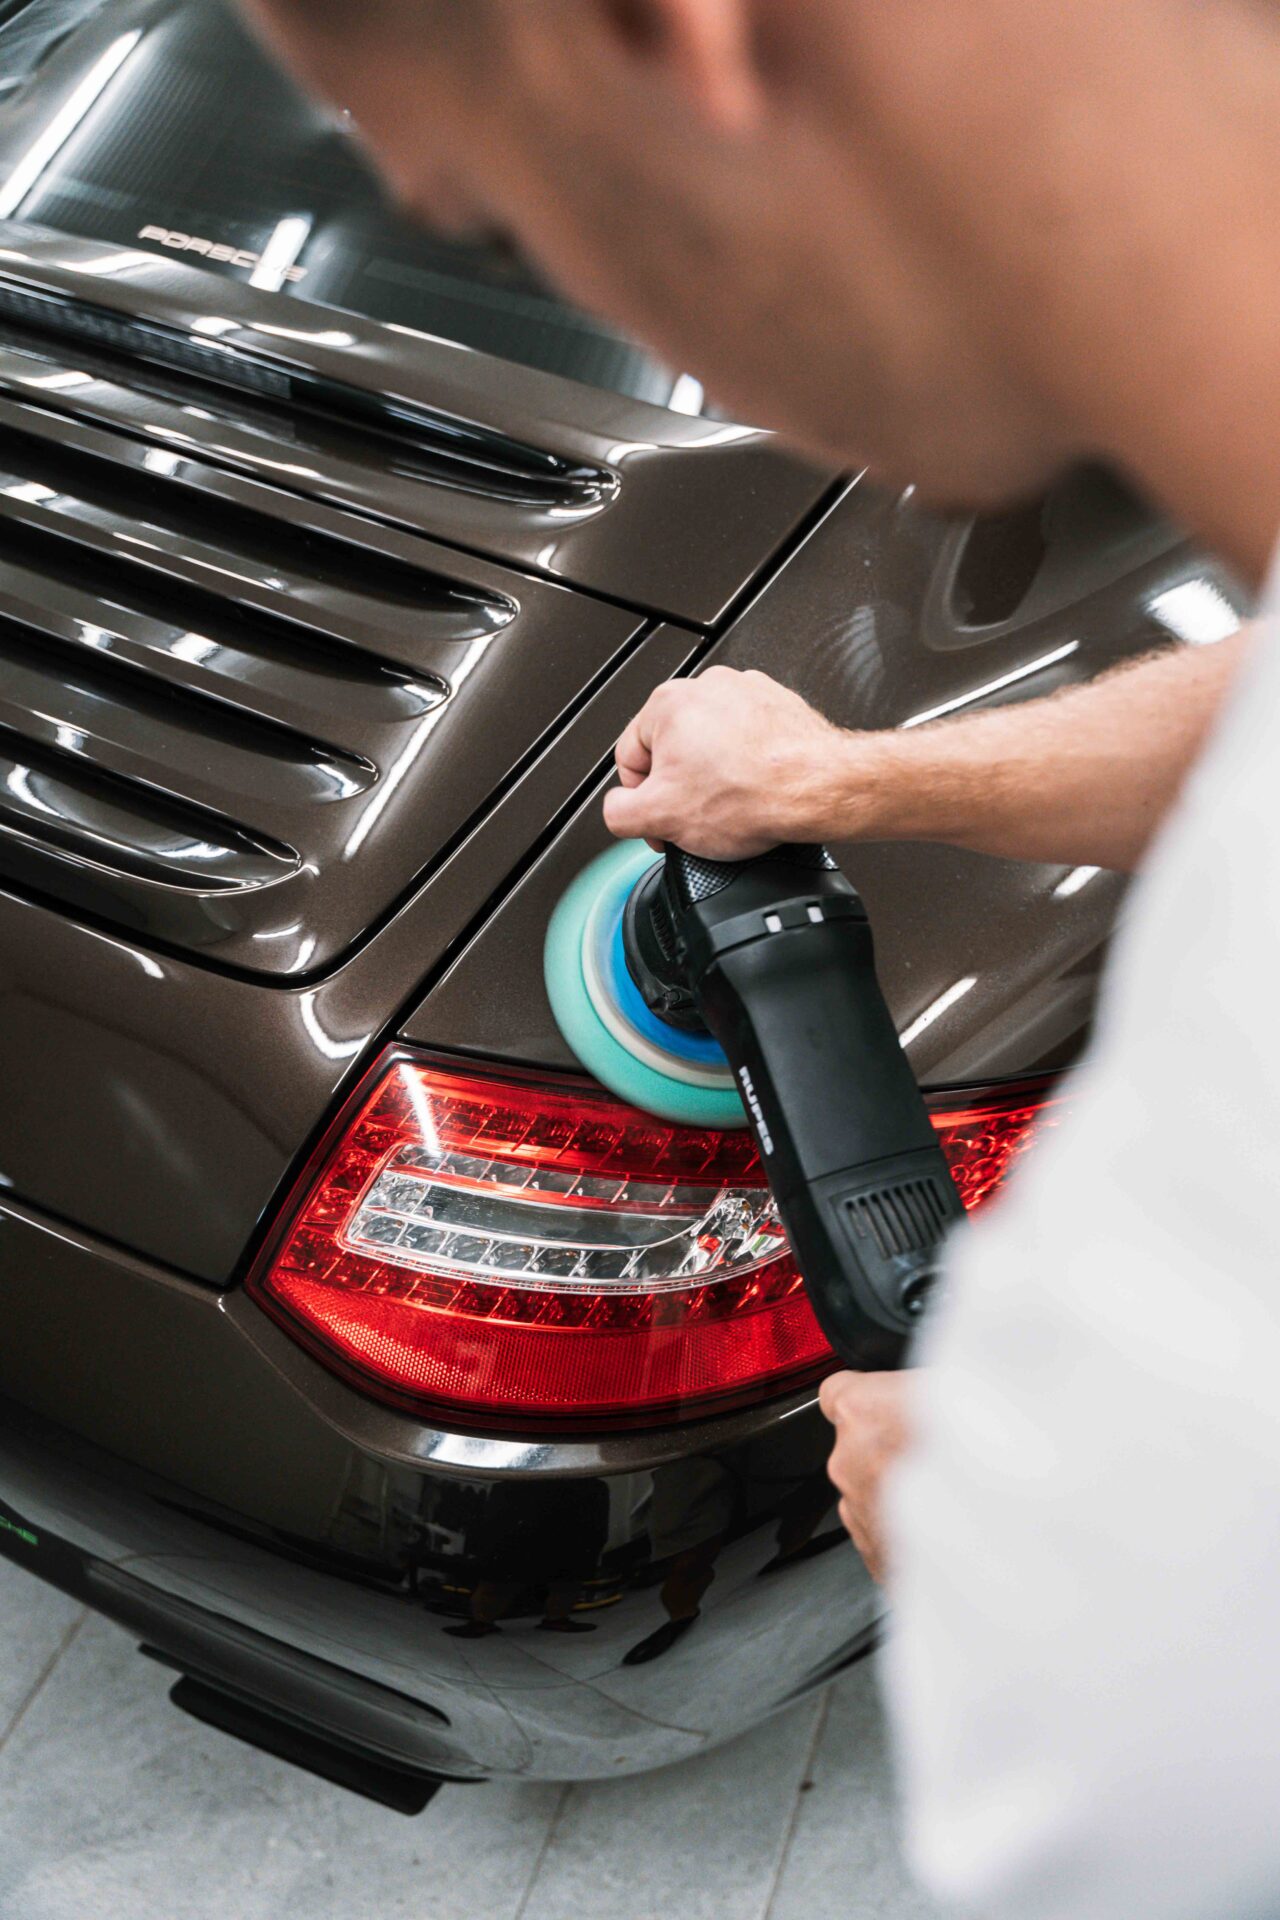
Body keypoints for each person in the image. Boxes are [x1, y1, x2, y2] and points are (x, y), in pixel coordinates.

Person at [236, 3, 1280, 1914]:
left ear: (672, 38)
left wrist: (1028, 1555)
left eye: (500, 217)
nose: (671, 366)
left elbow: (1156, 1799)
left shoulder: (1157, 1650)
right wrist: (849, 781)